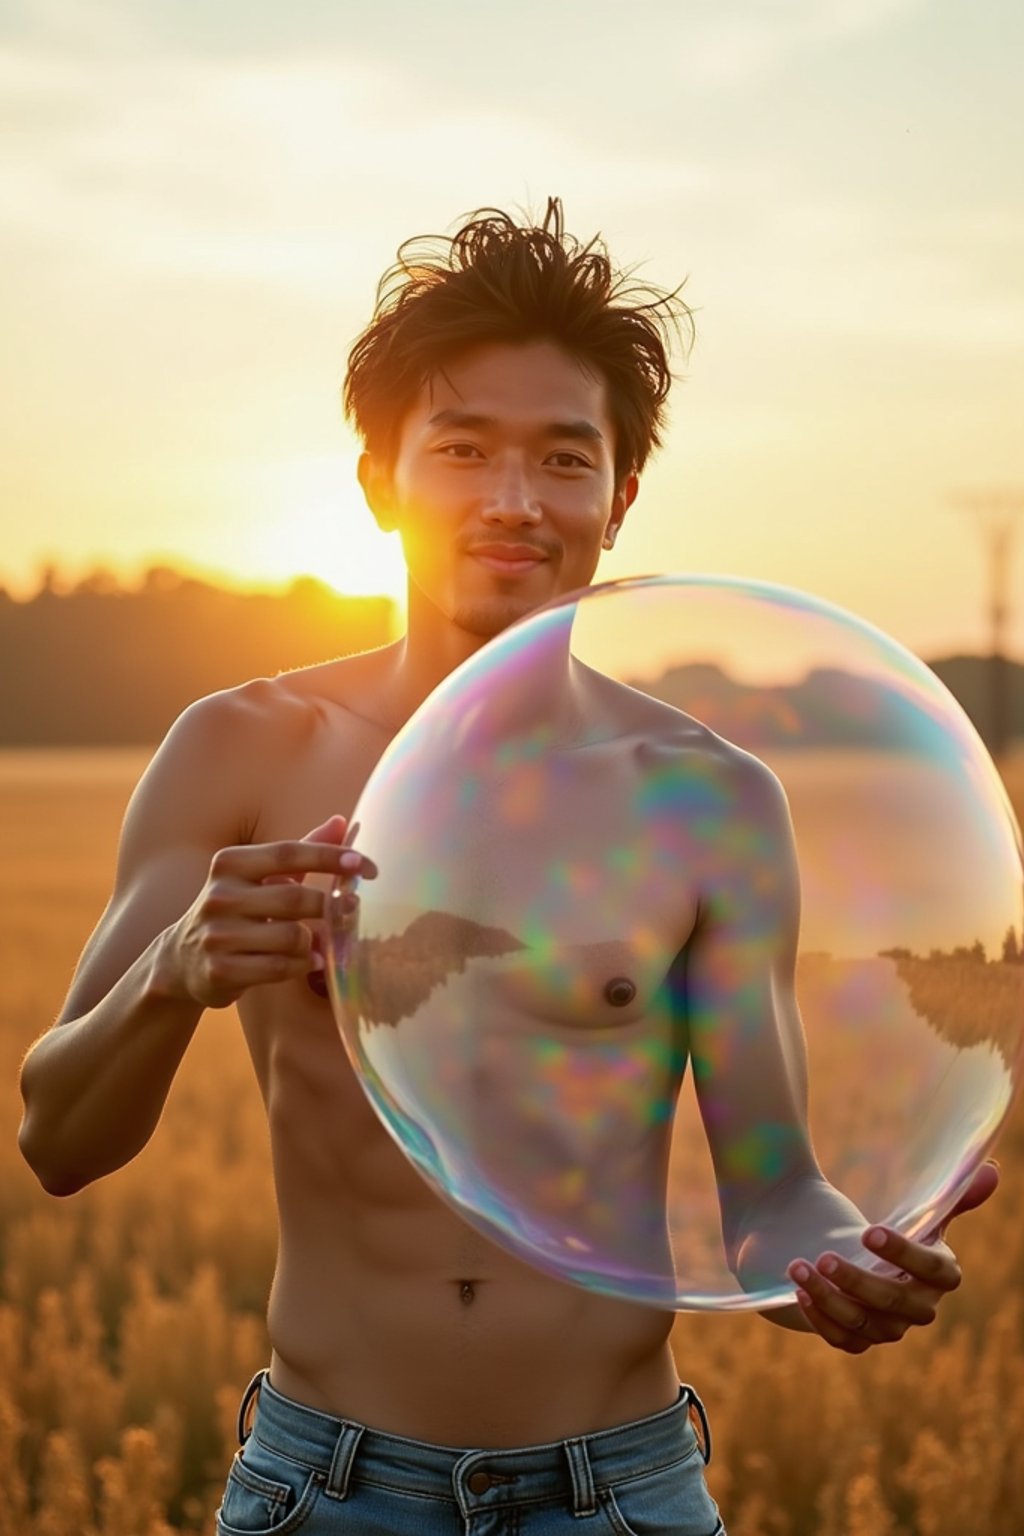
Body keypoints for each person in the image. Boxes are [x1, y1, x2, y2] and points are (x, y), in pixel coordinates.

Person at [18, 199, 998, 1536]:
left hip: (622, 1494)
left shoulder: (707, 800)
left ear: (621, 496)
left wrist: (836, 1256)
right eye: (463, 450)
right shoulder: (241, 752)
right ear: (378, 479)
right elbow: (57, 1139)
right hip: (327, 1490)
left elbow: (770, 1184)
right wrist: (173, 974)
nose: (515, 502)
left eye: (564, 458)